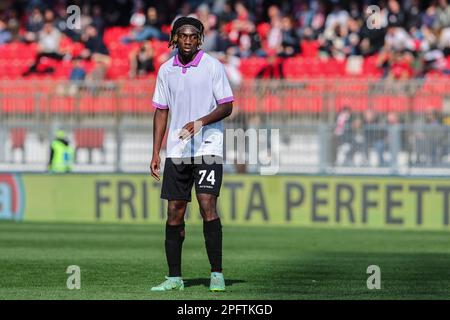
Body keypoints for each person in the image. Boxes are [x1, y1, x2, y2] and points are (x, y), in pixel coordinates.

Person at [150, 16, 233, 292]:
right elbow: (161, 111)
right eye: (183, 36)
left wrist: (200, 123)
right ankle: (174, 277)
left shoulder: (212, 67)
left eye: (193, 36)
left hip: (208, 147)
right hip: (177, 151)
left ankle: (217, 273)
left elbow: (226, 106)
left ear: (200, 39)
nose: (188, 40)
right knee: (174, 211)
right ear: (174, 38)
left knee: (207, 204)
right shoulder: (165, 70)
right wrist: (155, 152)